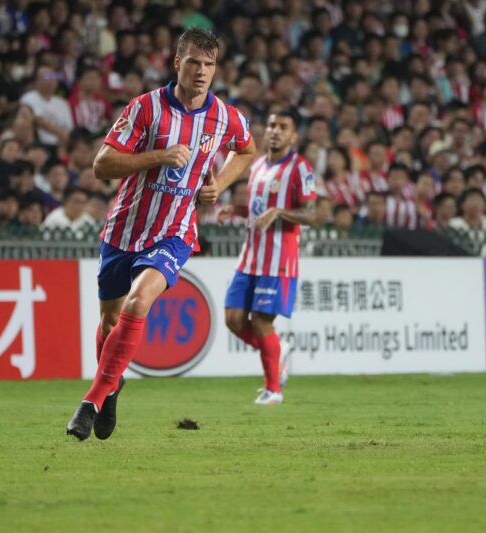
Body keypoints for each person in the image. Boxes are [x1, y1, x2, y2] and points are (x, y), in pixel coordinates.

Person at [66, 29, 257, 440]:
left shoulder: (225, 116)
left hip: (175, 231)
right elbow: (102, 165)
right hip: (124, 229)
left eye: (209, 65)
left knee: (139, 301)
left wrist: (220, 185)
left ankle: (91, 400)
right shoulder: (145, 108)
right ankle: (112, 388)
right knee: (109, 321)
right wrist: (158, 156)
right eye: (194, 63)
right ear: (177, 63)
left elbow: (246, 149)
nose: (201, 71)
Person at [224, 109, 316, 405]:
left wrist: (278, 212)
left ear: (293, 136)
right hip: (250, 257)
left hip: (278, 261)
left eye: (283, 127)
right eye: (272, 125)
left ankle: (273, 390)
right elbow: (258, 210)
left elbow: (312, 214)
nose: (275, 130)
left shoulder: (300, 168)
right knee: (233, 319)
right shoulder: (258, 165)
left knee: (261, 322)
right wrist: (237, 211)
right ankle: (279, 350)